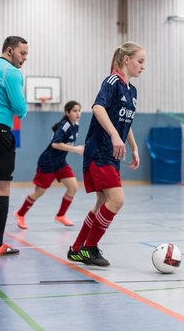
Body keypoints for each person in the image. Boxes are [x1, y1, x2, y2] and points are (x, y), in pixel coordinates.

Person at [67, 41, 146, 267]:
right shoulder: (112, 82)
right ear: (126, 60)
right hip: (99, 151)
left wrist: (133, 146)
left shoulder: (132, 91)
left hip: (112, 155)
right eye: (140, 61)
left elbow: (125, 121)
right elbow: (98, 108)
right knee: (117, 200)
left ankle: (76, 249)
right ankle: (89, 249)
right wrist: (113, 135)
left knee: (103, 201)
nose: (143, 66)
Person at [14, 101, 84, 229]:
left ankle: (60, 216)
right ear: (67, 112)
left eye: (79, 110)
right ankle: (20, 214)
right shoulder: (64, 126)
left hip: (60, 162)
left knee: (73, 187)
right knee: (39, 192)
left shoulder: (76, 125)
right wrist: (75, 150)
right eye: (74, 111)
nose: (78, 113)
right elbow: (55, 144)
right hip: (48, 162)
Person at [0, 36, 28, 256]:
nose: (25, 58)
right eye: (22, 53)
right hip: (0, 132)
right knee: (1, 188)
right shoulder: (12, 73)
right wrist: (23, 109)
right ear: (9, 51)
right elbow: (19, 108)